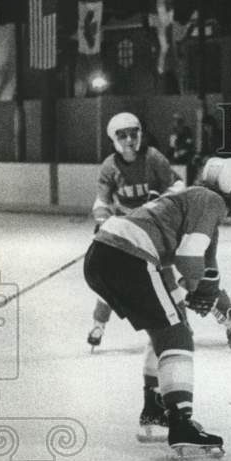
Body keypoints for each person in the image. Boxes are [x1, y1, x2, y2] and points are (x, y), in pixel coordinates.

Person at [83, 157, 231, 455]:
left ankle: (155, 411)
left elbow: (207, 274)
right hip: (131, 256)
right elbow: (191, 260)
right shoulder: (211, 200)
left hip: (104, 257)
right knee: (177, 336)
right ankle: (181, 423)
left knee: (169, 327)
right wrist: (196, 289)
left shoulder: (189, 199)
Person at [86, 112, 185, 349]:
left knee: (166, 276)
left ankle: (182, 323)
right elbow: (102, 201)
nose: (130, 140)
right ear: (113, 139)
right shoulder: (109, 166)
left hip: (153, 230)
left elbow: (178, 186)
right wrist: (102, 220)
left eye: (134, 133)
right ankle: (98, 326)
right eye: (123, 136)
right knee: (112, 281)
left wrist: (161, 200)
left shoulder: (153, 158)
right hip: (126, 233)